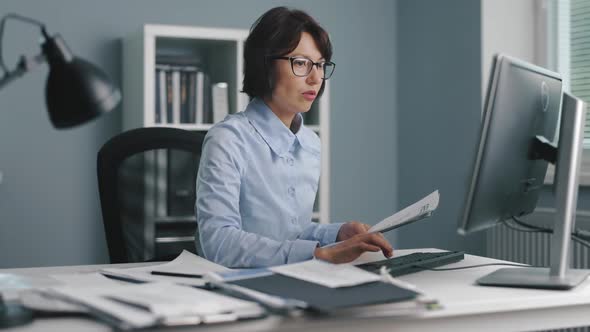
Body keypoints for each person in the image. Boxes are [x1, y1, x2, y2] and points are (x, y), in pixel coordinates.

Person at [195, 6, 393, 268]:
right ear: (264, 64)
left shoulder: (310, 143)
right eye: (300, 63)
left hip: (293, 279)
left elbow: (288, 234)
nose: (315, 78)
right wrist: (318, 255)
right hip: (234, 288)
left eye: (321, 65)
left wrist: (336, 233)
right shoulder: (228, 139)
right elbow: (218, 242)